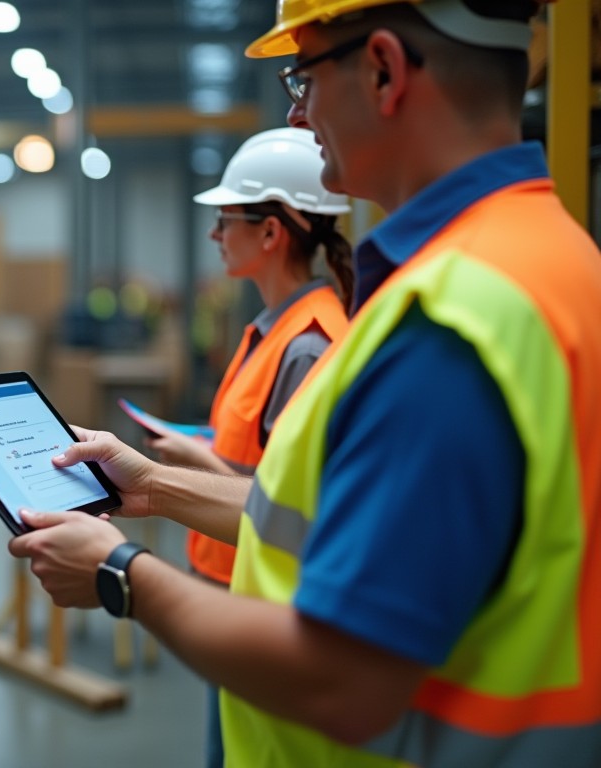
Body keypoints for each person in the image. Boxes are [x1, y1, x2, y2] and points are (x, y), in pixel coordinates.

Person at [8, 1, 601, 766]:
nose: (297, 111)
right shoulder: (550, 258)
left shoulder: (452, 321)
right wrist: (152, 486)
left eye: (304, 77)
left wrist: (120, 572)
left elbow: (342, 680)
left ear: (383, 70)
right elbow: (340, 524)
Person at [154, 125, 352, 768]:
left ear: (270, 233)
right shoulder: (272, 330)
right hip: (232, 581)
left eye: (226, 220)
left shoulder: (308, 346)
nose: (215, 235)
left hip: (262, 597)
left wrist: (187, 465)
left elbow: (291, 501)